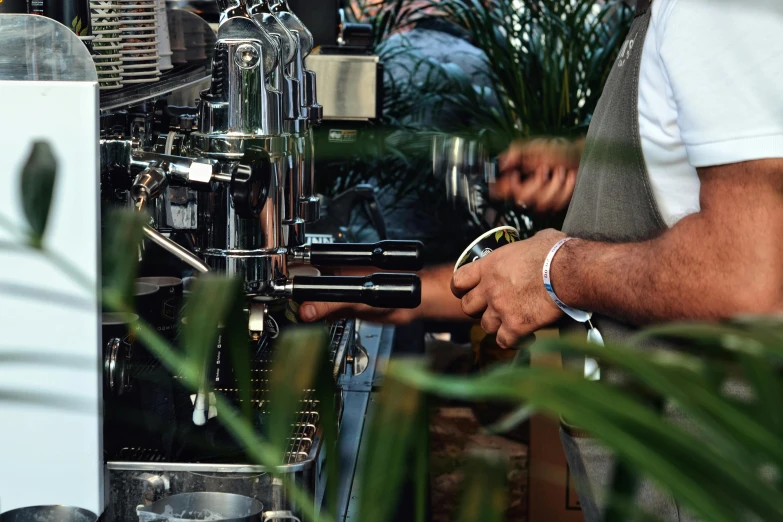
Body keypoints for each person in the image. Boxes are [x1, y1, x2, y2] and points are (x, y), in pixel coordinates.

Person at [300, 0, 783, 520]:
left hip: (707, 472)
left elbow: (749, 278)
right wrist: (593, 165)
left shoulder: (712, 10)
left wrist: (557, 271)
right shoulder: (668, 16)